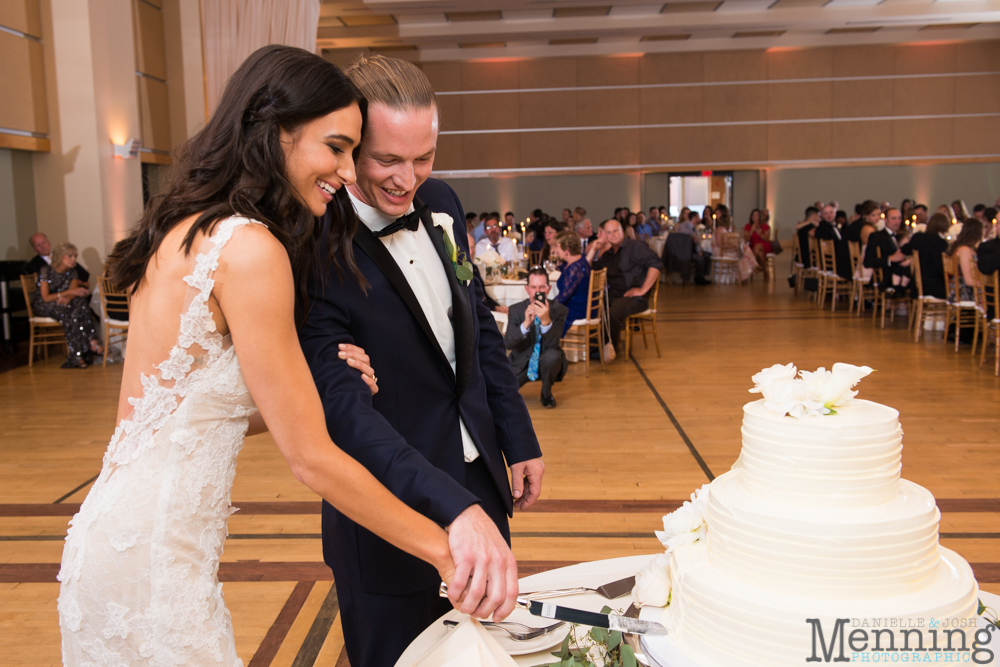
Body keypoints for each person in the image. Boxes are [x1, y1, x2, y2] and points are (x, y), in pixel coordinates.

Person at [58, 45, 494, 667]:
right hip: (156, 561)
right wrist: (448, 549)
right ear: (277, 134)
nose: (348, 172)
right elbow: (311, 460)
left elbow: (183, 411)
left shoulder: (186, 224)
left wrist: (307, 391)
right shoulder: (253, 249)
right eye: (336, 147)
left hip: (116, 538)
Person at [299, 54, 543, 667]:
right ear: (349, 147)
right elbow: (344, 417)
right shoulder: (312, 244)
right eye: (387, 159)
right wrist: (447, 506)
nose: (409, 180)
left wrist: (518, 436)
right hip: (389, 513)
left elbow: (478, 327)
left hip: (480, 492)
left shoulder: (443, 202)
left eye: (424, 157)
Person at [586, 219, 662, 355]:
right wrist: (594, 249)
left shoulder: (636, 246)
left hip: (634, 298)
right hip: (613, 296)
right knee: (589, 308)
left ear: (622, 231)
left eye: (615, 231)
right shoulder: (609, 254)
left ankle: (609, 350)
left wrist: (643, 289)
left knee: (612, 313)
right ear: (605, 236)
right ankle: (595, 348)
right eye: (608, 232)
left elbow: (656, 265)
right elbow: (590, 270)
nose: (613, 235)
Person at [504, 268, 568, 409]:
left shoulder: (559, 310)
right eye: (533, 287)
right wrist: (525, 324)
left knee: (553, 356)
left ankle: (546, 394)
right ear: (527, 289)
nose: (537, 291)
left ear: (549, 288)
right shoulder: (516, 310)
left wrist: (546, 321)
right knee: (503, 394)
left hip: (546, 360)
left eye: (541, 287)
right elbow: (507, 343)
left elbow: (554, 344)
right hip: (521, 361)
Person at [32, 242, 102, 368]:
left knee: (80, 303)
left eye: (74, 256)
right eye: (70, 256)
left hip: (62, 303)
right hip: (44, 305)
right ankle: (82, 350)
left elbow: (73, 294)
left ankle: (86, 347)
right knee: (70, 314)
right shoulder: (46, 270)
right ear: (60, 256)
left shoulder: (72, 272)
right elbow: (46, 297)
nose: (73, 259)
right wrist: (66, 294)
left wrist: (68, 297)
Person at [550, 230, 591, 336]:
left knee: (540, 319)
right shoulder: (580, 261)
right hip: (584, 306)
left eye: (558, 247)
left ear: (567, 249)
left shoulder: (574, 269)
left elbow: (563, 297)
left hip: (578, 310)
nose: (556, 250)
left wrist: (545, 308)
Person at [864, 207, 911, 296]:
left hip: (902, 274)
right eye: (893, 218)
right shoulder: (877, 236)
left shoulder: (901, 236)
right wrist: (890, 259)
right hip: (887, 278)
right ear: (885, 220)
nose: (897, 221)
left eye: (899, 218)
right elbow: (867, 262)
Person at [903, 212, 950, 299]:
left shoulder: (918, 237)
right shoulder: (940, 242)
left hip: (917, 286)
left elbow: (905, 250)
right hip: (934, 287)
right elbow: (940, 266)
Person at [23, 232, 91, 283]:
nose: (42, 246)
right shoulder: (32, 265)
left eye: (44, 242)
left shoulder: (63, 256)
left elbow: (84, 275)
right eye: (38, 245)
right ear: (34, 248)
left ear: (49, 243)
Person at [946, 218, 983, 304]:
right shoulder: (964, 250)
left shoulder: (968, 248)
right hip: (963, 292)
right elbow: (968, 280)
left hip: (965, 289)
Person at [815, 204, 852, 280]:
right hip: (830, 262)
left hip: (835, 258)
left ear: (835, 213)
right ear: (822, 215)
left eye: (831, 212)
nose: (829, 215)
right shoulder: (822, 229)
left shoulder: (836, 226)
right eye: (826, 213)